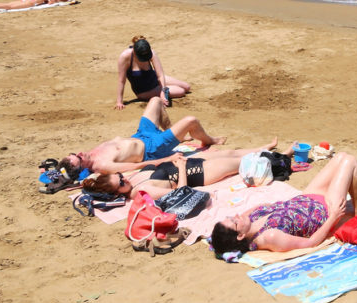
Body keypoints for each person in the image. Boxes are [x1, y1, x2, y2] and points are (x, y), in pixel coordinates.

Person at [210, 152, 357, 256]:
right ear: (240, 236)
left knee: (340, 157)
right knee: (349, 161)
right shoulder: (268, 237)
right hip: (325, 211)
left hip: (307, 197)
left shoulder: (250, 220)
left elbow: (251, 210)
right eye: (234, 221)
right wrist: (334, 217)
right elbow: (310, 243)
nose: (237, 215)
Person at [60, 96, 226, 176]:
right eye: (79, 158)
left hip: (142, 134)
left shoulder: (89, 155)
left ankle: (175, 134)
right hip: (153, 148)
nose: (81, 153)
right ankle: (210, 140)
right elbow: (135, 167)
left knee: (156, 100)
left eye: (75, 153)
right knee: (191, 121)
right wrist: (166, 160)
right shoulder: (102, 166)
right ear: (83, 167)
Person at [82, 138, 281, 200]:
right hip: (196, 174)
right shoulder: (143, 192)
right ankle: (281, 158)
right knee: (241, 163)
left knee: (229, 152)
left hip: (180, 163)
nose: (124, 179)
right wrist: (183, 168)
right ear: (118, 193)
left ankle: (263, 148)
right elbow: (180, 193)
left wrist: (171, 159)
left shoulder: (128, 180)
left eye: (120, 177)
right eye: (121, 183)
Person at [115, 36, 191, 110]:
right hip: (145, 90)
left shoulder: (150, 52)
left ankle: (165, 90)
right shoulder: (124, 57)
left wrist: (163, 91)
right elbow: (121, 81)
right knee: (181, 91)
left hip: (154, 78)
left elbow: (160, 74)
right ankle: (165, 91)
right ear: (134, 51)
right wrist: (119, 101)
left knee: (187, 87)